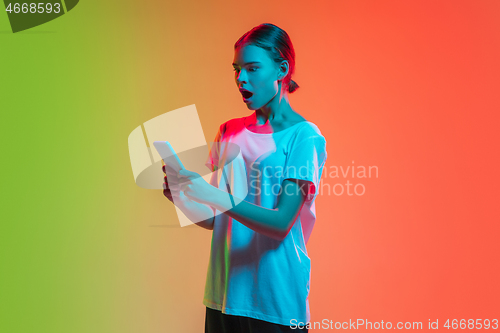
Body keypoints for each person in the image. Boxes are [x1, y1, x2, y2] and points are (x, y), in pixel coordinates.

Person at [162, 23, 327, 333]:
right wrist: (183, 197)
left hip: (275, 302)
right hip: (222, 296)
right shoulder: (228, 131)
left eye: (252, 68)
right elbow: (217, 218)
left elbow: (281, 223)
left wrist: (210, 195)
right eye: (237, 69)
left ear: (282, 68)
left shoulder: (305, 137)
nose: (240, 79)